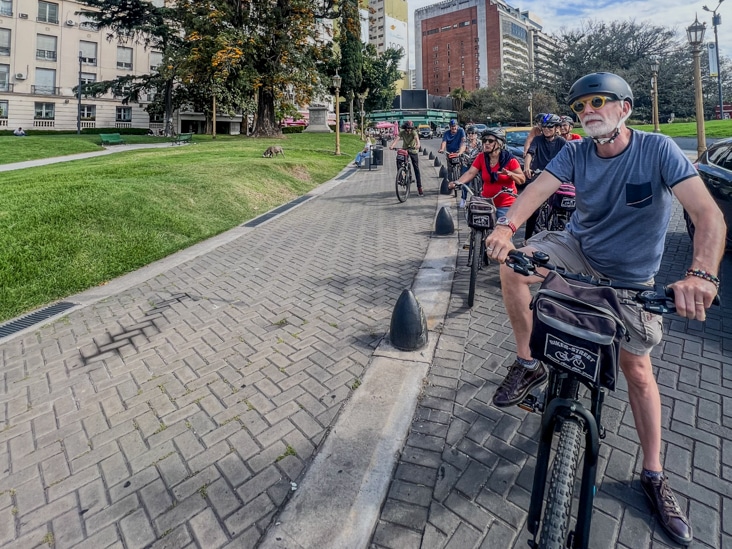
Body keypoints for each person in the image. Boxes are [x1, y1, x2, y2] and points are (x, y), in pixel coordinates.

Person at [484, 72, 726, 546]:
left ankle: (654, 475)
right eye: (580, 106)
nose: (589, 110)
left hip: (632, 280)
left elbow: (707, 214)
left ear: (624, 108)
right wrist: (506, 226)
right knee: (513, 269)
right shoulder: (575, 152)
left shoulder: (658, 150)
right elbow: (538, 190)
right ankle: (528, 362)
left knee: (637, 370)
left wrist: (701, 272)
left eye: (599, 101)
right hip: (578, 253)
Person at [448, 128, 524, 217]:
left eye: (490, 141)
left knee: (503, 229)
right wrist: (457, 182)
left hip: (506, 205)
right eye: (484, 140)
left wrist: (510, 174)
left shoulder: (510, 160)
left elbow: (522, 180)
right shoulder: (481, 157)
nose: (486, 143)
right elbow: (470, 173)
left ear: (499, 143)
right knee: (476, 224)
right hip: (486, 203)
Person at [522, 114, 566, 240]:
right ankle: (527, 238)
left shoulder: (561, 142)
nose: (547, 129)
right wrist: (527, 167)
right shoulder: (537, 140)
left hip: (557, 177)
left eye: (550, 127)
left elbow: (569, 158)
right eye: (544, 126)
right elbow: (530, 153)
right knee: (533, 210)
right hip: (539, 175)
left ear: (556, 127)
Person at [390, 120, 423, 196]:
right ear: (405, 128)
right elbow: (397, 139)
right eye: (407, 128)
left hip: (413, 150)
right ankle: (400, 177)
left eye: (410, 128)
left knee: (416, 168)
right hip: (404, 150)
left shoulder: (414, 132)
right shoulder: (402, 132)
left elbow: (417, 140)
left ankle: (419, 187)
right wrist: (392, 146)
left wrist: (417, 145)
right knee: (398, 160)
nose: (409, 130)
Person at [456, 126, 482, 208]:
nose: (471, 135)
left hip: (478, 164)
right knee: (465, 181)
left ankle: (482, 197)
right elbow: (462, 148)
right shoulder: (465, 142)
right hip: (466, 163)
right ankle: (463, 199)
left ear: (476, 135)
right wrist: (459, 153)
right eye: (469, 133)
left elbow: (484, 151)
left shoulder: (480, 143)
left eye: (473, 133)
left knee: (484, 178)